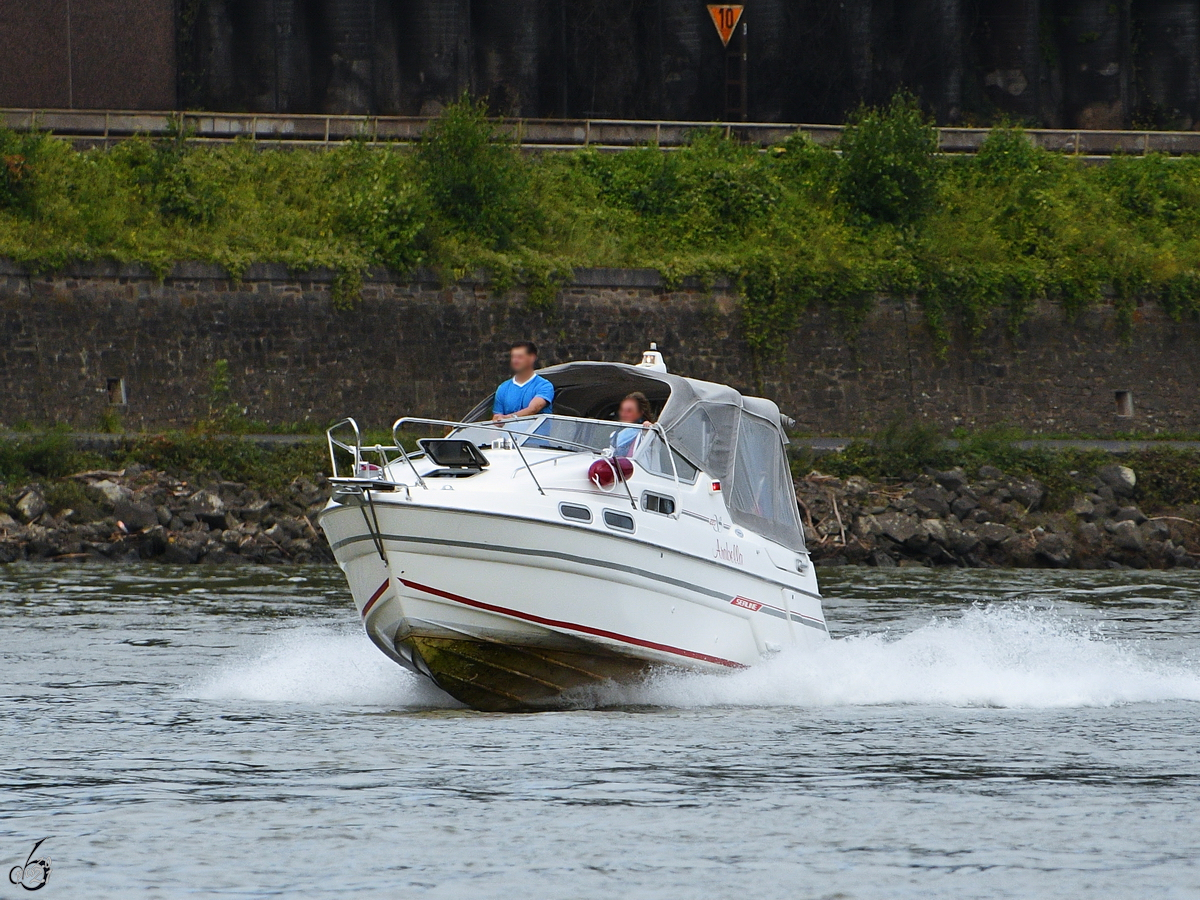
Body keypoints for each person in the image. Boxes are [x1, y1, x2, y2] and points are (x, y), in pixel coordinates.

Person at [492, 341, 555, 422]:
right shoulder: (503, 388)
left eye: (520, 357)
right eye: (513, 357)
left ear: (532, 358)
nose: (515, 361)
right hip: (509, 434)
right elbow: (497, 417)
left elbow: (533, 409)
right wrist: (498, 420)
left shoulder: (544, 385)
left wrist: (510, 418)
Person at [612, 391, 654, 457]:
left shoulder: (645, 432)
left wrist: (647, 431)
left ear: (640, 412)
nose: (624, 414)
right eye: (622, 410)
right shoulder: (615, 434)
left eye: (629, 411)